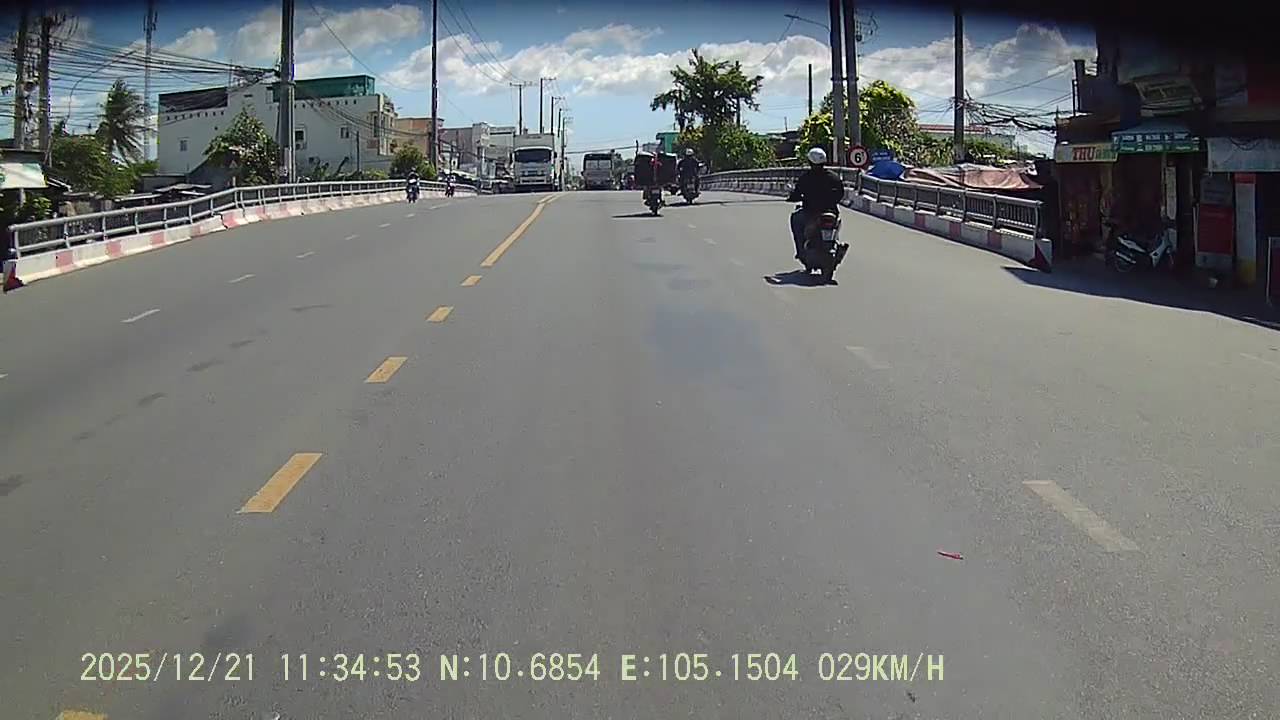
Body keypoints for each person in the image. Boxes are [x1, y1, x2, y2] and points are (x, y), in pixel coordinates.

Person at [786, 147, 845, 262]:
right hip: (831, 212)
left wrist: (792, 197)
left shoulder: (805, 178)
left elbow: (796, 194)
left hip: (810, 212)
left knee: (795, 219)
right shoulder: (834, 177)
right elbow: (840, 194)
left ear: (810, 162)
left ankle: (801, 251)